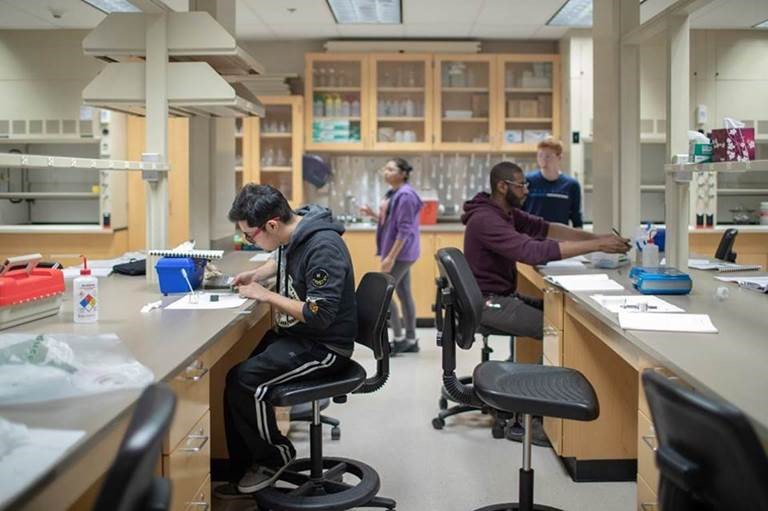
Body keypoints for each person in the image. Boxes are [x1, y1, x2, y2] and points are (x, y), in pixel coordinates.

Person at [216, 184, 357, 499]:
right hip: (300, 335)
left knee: (245, 382)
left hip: (326, 346)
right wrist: (258, 276)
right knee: (233, 378)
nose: (249, 242)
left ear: (272, 225)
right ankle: (243, 468)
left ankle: (274, 455)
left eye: (250, 237)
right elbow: (284, 257)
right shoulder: (298, 228)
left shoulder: (323, 247)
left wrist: (266, 295)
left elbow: (318, 315)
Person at [463, 161, 629, 341]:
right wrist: (597, 246)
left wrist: (596, 238)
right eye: (521, 186)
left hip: (502, 295)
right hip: (487, 302)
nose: (526, 191)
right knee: (558, 329)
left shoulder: (506, 213)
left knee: (563, 314)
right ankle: (546, 368)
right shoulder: (486, 220)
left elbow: (547, 228)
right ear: (502, 186)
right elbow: (533, 252)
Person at [360, 158, 423, 354]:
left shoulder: (405, 196)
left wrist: (391, 257)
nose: (386, 172)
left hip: (401, 253)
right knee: (403, 294)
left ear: (403, 173)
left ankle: (398, 339)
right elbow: (392, 221)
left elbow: (404, 230)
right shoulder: (395, 193)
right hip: (400, 251)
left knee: (385, 294)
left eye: (391, 169)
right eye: (385, 168)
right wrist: (373, 214)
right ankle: (410, 339)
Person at [523, 138, 583, 228]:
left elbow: (576, 217)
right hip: (532, 238)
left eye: (548, 156)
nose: (543, 159)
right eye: (540, 155)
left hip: (560, 239)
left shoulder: (572, 185)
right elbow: (518, 211)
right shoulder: (527, 181)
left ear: (559, 157)